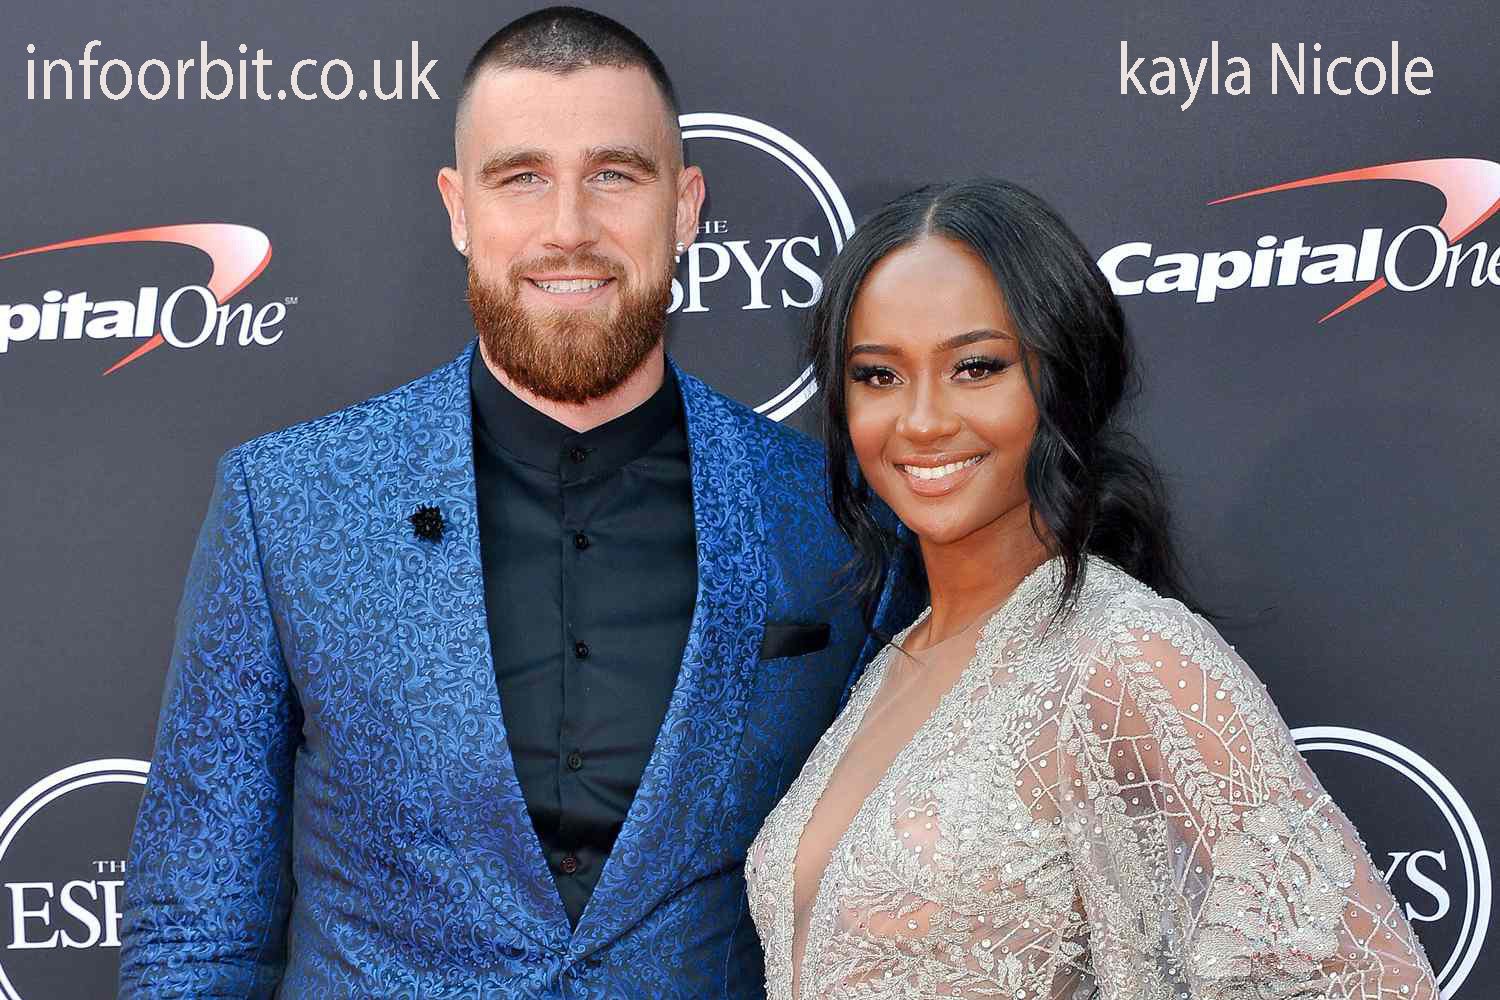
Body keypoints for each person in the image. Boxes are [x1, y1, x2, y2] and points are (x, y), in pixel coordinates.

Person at [116, 8, 917, 997]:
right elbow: (197, 936)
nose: (569, 228)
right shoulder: (285, 506)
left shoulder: (830, 511)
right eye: (521, 176)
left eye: (615, 174)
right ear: (459, 209)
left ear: (685, 207)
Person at [745, 179, 1440, 999]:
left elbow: (1373, 981)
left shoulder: (1126, 654)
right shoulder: (897, 658)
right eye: (878, 375)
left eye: (976, 367)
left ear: (1062, 378)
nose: (922, 420)